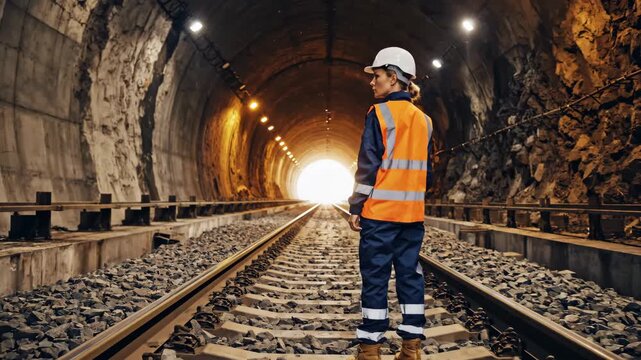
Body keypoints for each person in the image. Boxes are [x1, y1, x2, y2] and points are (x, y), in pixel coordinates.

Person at [347, 47, 433, 360]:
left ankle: (370, 350)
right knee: (410, 276)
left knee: (376, 279)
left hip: (380, 215)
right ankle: (411, 349)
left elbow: (368, 165)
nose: (373, 82)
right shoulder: (425, 121)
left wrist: (357, 206)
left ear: (393, 78)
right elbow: (429, 175)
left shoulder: (379, 114)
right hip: (412, 216)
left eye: (378, 76)